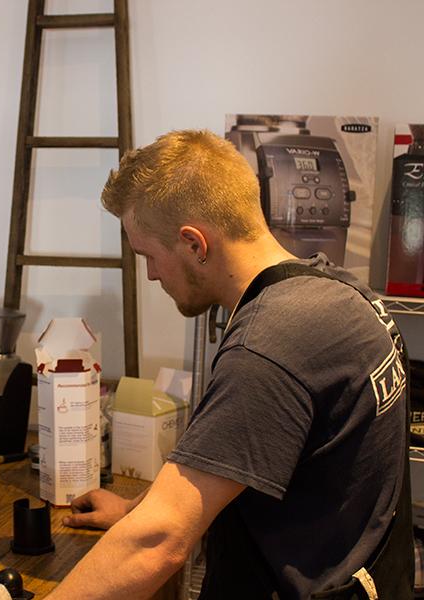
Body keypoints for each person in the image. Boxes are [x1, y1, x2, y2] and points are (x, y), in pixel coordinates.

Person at [48, 130, 412, 599]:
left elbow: (157, 544)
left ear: (195, 244)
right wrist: (136, 509)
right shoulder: (341, 294)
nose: (152, 274)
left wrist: (147, 525)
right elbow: (236, 454)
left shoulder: (270, 347)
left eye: (148, 256)